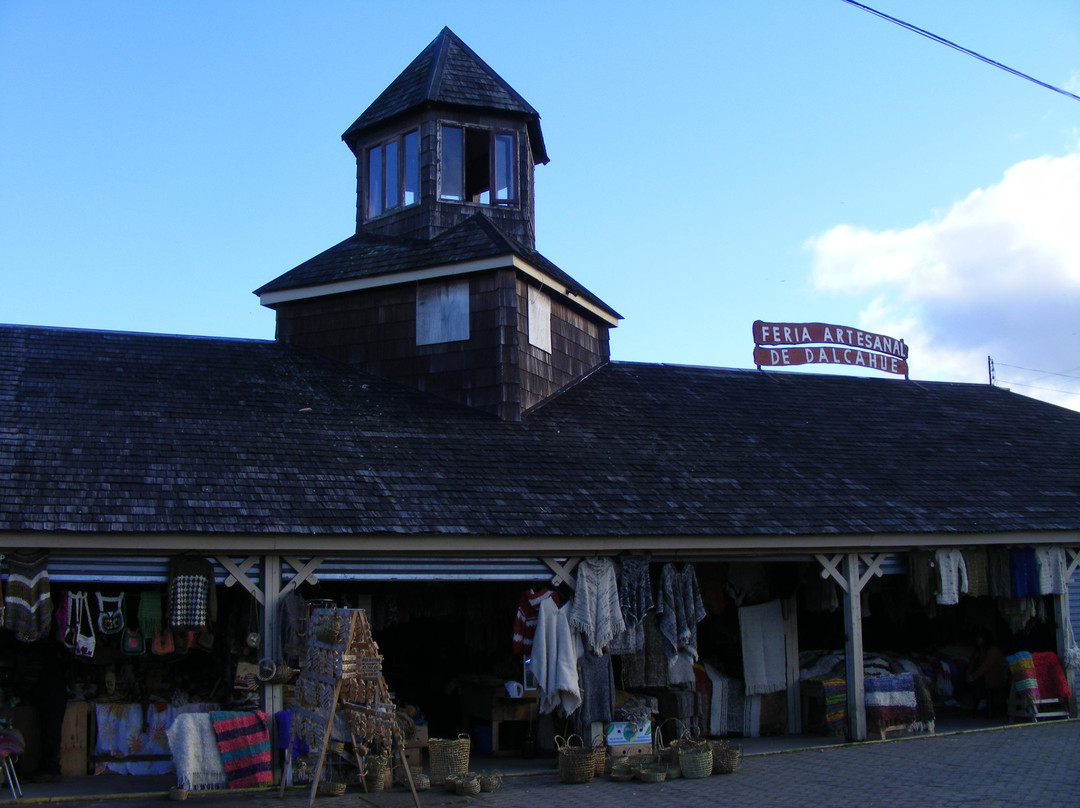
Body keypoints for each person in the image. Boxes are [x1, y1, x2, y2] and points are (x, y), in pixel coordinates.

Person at [17, 636, 71, 782]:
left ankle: (51, 769)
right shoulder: (54, 649)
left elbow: (31, 677)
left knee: (50, 732)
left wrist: (20, 691)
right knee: (51, 731)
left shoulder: (37, 651)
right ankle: (48, 768)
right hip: (55, 693)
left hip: (50, 695)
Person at [966, 635, 1007, 717]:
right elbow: (972, 663)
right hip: (981, 674)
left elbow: (986, 666)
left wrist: (974, 676)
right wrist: (967, 674)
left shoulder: (993, 650)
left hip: (992, 676)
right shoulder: (979, 650)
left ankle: (983, 699)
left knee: (977, 682)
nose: (977, 639)